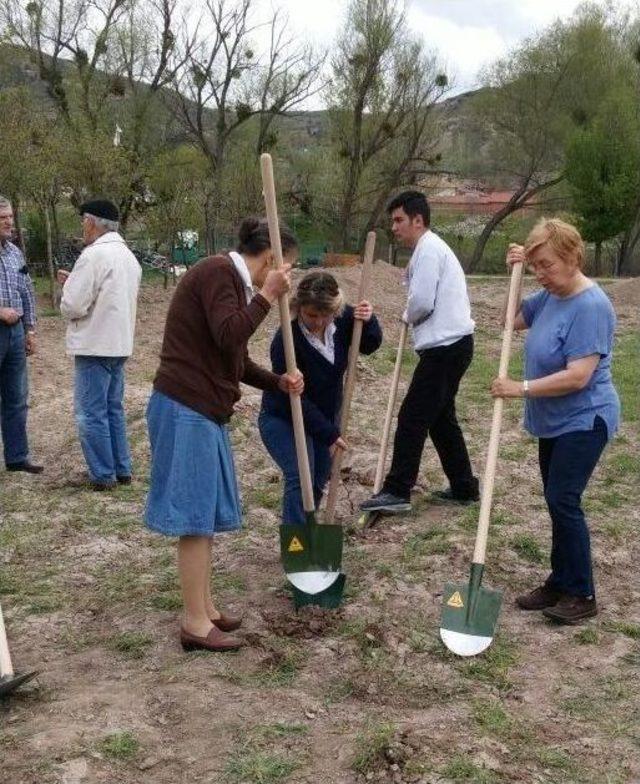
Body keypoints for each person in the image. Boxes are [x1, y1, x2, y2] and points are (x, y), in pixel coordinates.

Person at [145, 218, 303, 653]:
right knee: (195, 519)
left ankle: (206, 608)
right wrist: (268, 295)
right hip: (185, 408)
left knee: (205, 517)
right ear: (271, 260)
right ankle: (194, 623)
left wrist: (277, 381)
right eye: (287, 270)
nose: (287, 281)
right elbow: (229, 333)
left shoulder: (232, 285)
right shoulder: (218, 274)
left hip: (203, 411)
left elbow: (233, 355)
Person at [491, 219, 620, 625]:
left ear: (572, 257)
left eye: (545, 265)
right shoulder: (550, 295)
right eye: (534, 267)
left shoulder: (591, 305)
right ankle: (560, 580)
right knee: (556, 499)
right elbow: (510, 320)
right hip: (555, 420)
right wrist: (513, 275)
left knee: (563, 499)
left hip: (585, 418)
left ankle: (581, 592)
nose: (540, 274)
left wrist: (519, 388)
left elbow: (578, 376)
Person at [360, 190, 478, 514]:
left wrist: (405, 315)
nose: (394, 227)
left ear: (418, 220)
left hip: (447, 347)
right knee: (441, 420)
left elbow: (423, 302)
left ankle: (397, 489)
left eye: (399, 220)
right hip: (451, 346)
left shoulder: (428, 250)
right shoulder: (428, 250)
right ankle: (464, 486)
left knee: (412, 417)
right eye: (392, 221)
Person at [259, 271, 382, 523]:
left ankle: (308, 531)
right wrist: (329, 433)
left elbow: (369, 345)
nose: (317, 322)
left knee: (318, 477)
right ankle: (297, 544)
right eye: (311, 315)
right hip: (285, 417)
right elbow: (290, 398)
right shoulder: (286, 340)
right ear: (298, 308)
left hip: (323, 418)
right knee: (300, 475)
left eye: (324, 315)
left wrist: (369, 321)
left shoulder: (344, 318)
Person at [58, 200, 141, 491]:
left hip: (94, 345)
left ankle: (103, 474)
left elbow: (73, 305)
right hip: (119, 343)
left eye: (84, 221)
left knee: (90, 413)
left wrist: (66, 287)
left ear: (93, 223)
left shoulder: (93, 256)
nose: (83, 227)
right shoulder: (128, 257)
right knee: (113, 410)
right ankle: (122, 468)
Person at [0, 195, 42, 474]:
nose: (9, 223)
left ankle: (17, 458)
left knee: (16, 397)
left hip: (15, 334)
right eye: (3, 218)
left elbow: (26, 290)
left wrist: (30, 329)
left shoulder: (15, 253)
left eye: (11, 217)